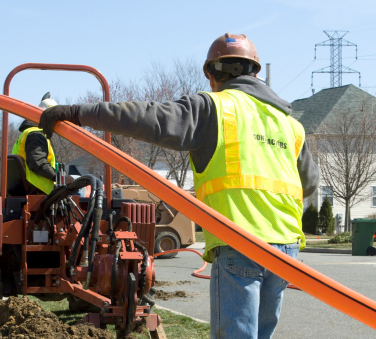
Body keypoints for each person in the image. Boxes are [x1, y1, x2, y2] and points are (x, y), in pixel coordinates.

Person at [39, 33, 319, 339]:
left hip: (241, 241)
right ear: (255, 72)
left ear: (211, 74)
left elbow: (148, 118)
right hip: (286, 249)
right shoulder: (289, 124)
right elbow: (309, 183)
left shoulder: (215, 107)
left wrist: (77, 113)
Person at [11, 93, 59, 195]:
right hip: (37, 191)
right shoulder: (35, 135)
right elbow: (38, 163)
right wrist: (59, 177)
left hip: (32, 189)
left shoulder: (28, 133)